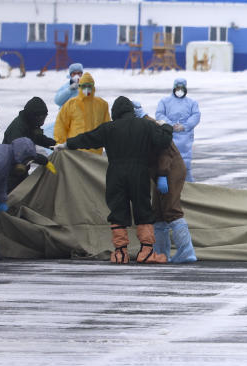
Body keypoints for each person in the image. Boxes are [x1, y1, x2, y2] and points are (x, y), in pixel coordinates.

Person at [56, 96, 173, 264]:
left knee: (118, 211)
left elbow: (87, 138)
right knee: (143, 209)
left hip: (115, 173)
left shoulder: (109, 128)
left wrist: (67, 144)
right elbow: (163, 141)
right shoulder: (145, 125)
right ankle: (146, 252)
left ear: (115, 112)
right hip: (139, 172)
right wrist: (167, 127)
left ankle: (120, 253)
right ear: (132, 111)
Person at [151, 127, 197, 264]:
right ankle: (161, 253)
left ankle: (186, 252)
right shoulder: (144, 125)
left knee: (172, 210)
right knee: (158, 213)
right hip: (160, 172)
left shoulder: (150, 127)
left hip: (170, 170)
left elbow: (164, 151)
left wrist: (163, 173)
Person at [3, 96, 56, 192]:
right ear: (34, 115)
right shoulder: (18, 128)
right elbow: (19, 151)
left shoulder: (31, 123)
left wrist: (55, 145)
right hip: (10, 170)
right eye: (41, 117)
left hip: (21, 168)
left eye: (44, 116)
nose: (42, 120)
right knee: (11, 195)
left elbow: (39, 138)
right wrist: (41, 159)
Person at [155, 77, 201, 181]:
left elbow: (196, 116)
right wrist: (170, 125)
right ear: (174, 88)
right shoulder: (165, 101)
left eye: (182, 88)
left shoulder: (192, 103)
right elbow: (159, 114)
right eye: (178, 88)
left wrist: (184, 126)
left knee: (185, 165)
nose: (179, 90)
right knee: (168, 161)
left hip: (185, 139)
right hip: (169, 137)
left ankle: (189, 188)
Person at [53, 72, 110, 155]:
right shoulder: (71, 104)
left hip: (96, 152)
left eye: (89, 86)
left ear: (93, 86)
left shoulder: (102, 104)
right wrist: (60, 143)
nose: (87, 88)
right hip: (75, 152)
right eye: (84, 86)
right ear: (79, 87)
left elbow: (107, 127)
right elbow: (61, 125)